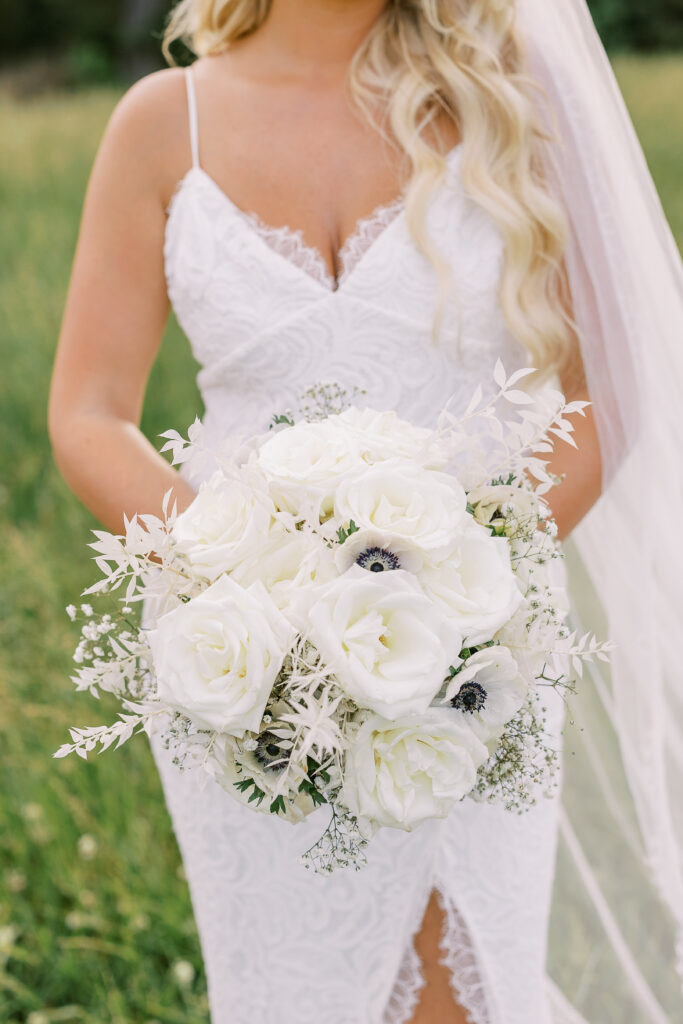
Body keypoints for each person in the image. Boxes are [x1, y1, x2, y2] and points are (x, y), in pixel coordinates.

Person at [48, 0, 683, 1021]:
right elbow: (87, 412)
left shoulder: (504, 93)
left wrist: (459, 584)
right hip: (246, 667)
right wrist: (244, 571)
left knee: (460, 984)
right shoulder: (163, 123)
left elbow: (601, 390)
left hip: (467, 654)